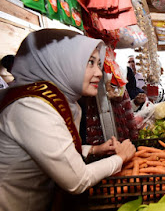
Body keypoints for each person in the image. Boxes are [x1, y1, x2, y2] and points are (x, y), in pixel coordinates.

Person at [0, 29, 136, 211]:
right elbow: (77, 181)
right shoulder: (31, 107)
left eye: (98, 63)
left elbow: (53, 146)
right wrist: (121, 157)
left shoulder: (57, 100)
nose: (98, 72)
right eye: (90, 63)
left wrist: (95, 149)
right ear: (61, 63)